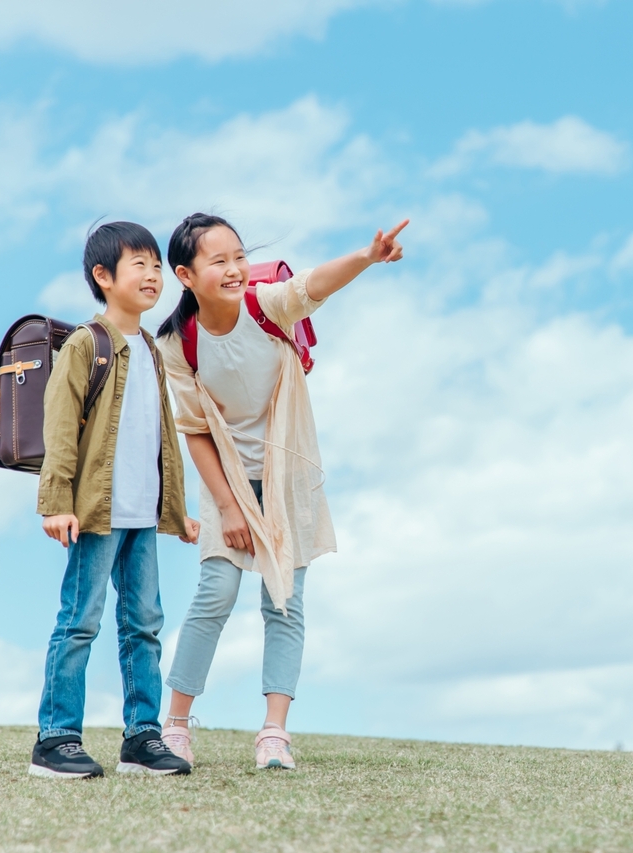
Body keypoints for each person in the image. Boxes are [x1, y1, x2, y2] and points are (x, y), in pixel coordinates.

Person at [155, 212, 407, 770]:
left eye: (239, 257)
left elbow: (313, 284)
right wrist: (228, 507)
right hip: (228, 480)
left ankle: (274, 733)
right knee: (215, 593)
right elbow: (194, 429)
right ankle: (175, 726)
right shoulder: (177, 342)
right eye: (218, 261)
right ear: (186, 275)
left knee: (284, 602)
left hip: (286, 474)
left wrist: (367, 257)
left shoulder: (265, 305)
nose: (234, 269)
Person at [29, 221, 201, 779]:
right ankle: (56, 739)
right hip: (96, 513)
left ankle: (142, 738)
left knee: (144, 625)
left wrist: (177, 509)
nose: (152, 275)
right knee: (80, 621)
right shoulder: (87, 343)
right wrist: (56, 501)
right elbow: (60, 427)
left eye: (157, 266)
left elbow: (163, 437)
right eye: (139, 264)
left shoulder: (150, 349)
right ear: (103, 276)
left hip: (143, 514)